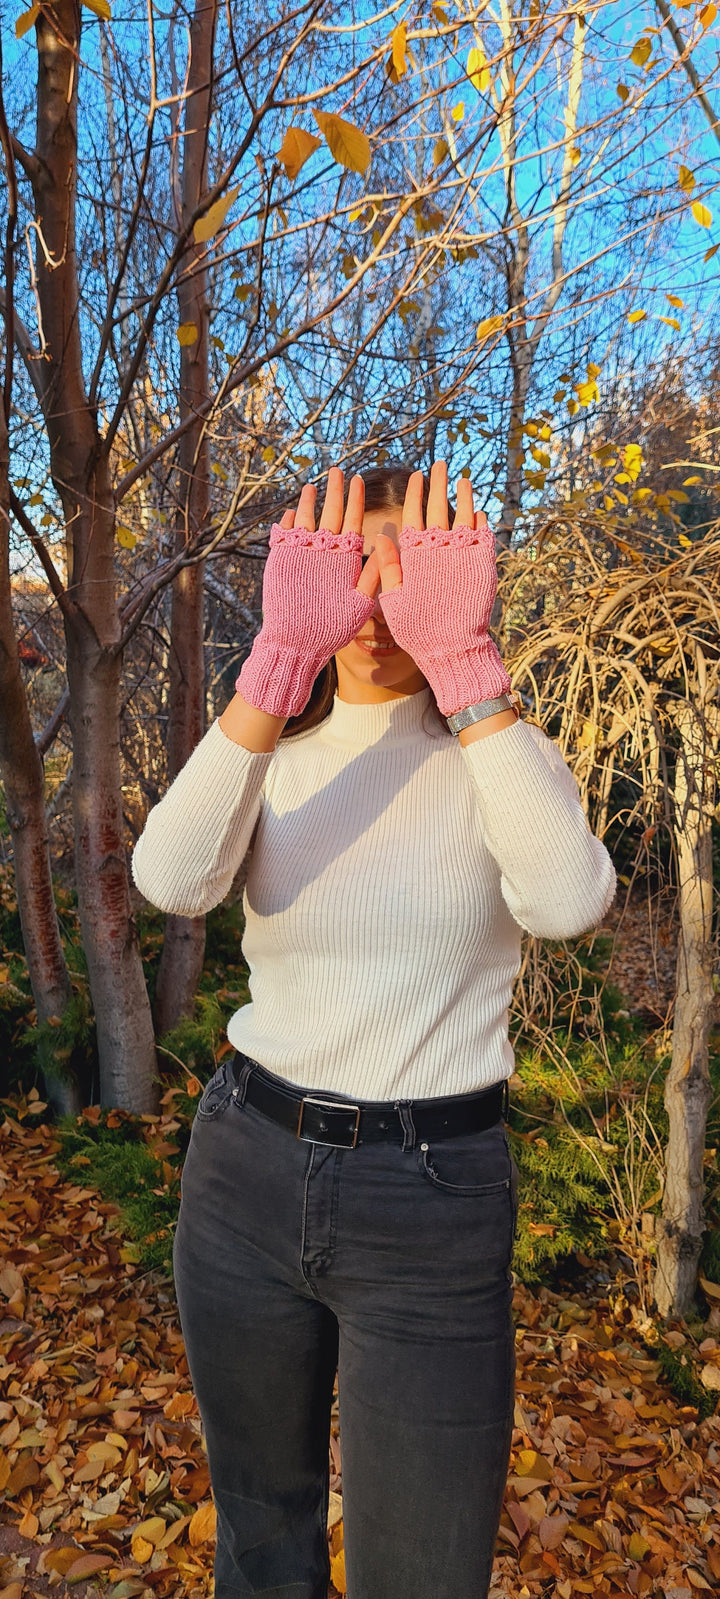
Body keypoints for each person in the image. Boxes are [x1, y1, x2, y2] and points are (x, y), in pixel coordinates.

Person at [132, 460, 616, 1599]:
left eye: (411, 573)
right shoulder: (272, 752)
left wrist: (463, 662)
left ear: (461, 580)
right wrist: (279, 656)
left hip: (431, 1196)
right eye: (352, 567)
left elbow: (567, 904)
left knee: (425, 1572)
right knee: (261, 1535)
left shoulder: (501, 761)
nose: (378, 601)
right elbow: (171, 879)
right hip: (247, 1168)